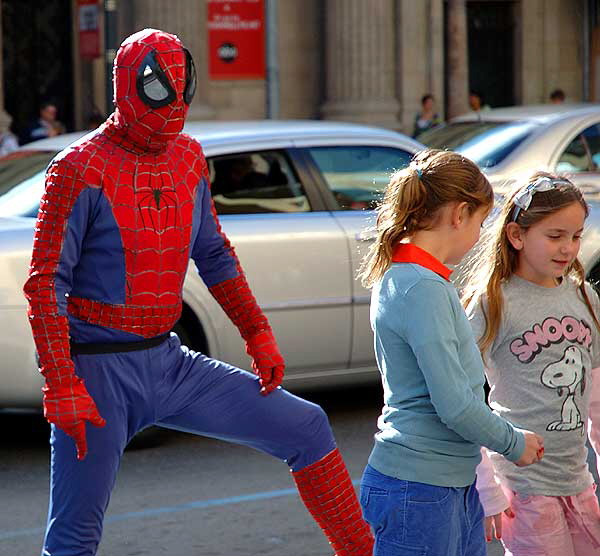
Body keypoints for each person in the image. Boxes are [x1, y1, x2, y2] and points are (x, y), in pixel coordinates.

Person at [23, 28, 374, 556]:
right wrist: (61, 382)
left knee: (306, 426)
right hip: (97, 373)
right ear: (129, 85)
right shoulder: (78, 168)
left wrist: (257, 333)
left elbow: (212, 252)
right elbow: (46, 282)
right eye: (160, 90)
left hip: (170, 362)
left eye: (179, 90)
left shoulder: (187, 157)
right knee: (74, 534)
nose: (172, 108)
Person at [357, 149, 543, 556]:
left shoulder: (408, 277)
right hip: (421, 490)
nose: (479, 235)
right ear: (459, 214)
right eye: (480, 221)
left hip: (435, 485)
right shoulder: (422, 288)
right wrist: (513, 442)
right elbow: (456, 405)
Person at [463, 173, 600, 555]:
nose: (568, 248)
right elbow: (464, 401)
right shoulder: (493, 302)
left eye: (576, 236)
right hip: (523, 488)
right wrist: (487, 492)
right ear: (516, 235)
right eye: (555, 236)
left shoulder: (585, 297)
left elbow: (596, 398)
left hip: (578, 481)